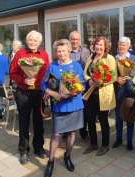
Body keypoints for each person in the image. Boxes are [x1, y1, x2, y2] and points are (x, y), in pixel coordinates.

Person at [41, 39, 86, 176]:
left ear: (68, 51)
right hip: (59, 105)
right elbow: (43, 84)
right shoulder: (52, 66)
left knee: (71, 133)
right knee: (55, 135)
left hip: (73, 104)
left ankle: (67, 156)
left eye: (63, 51)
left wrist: (71, 93)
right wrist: (51, 92)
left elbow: (82, 85)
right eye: (58, 51)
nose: (61, 53)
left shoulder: (77, 66)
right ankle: (51, 161)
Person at [10, 30, 50, 165]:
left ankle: (39, 147)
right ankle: (23, 150)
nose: (32, 42)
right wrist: (24, 80)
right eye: (30, 40)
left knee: (38, 121)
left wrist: (46, 90)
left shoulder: (44, 55)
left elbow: (47, 75)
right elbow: (13, 73)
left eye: (35, 40)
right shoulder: (20, 54)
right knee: (24, 122)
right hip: (23, 92)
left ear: (39, 42)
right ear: (27, 41)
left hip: (39, 92)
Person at [83, 36, 117, 156]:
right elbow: (85, 72)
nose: (98, 47)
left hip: (103, 94)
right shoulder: (91, 57)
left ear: (105, 46)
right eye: (97, 44)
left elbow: (113, 76)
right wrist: (89, 81)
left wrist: (100, 82)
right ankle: (93, 143)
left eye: (101, 45)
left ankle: (105, 145)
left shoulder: (110, 58)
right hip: (91, 93)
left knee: (103, 120)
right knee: (90, 119)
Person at [60, 31, 91, 147]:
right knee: (67, 112)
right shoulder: (65, 51)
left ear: (80, 40)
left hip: (83, 87)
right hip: (68, 87)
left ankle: (84, 134)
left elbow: (89, 68)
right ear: (69, 39)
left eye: (77, 39)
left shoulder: (86, 52)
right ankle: (64, 137)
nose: (75, 41)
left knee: (83, 112)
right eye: (72, 39)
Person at [113, 37, 135, 151]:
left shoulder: (133, 58)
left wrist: (129, 78)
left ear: (128, 46)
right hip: (118, 91)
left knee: (129, 115)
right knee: (118, 116)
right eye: (120, 45)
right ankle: (119, 138)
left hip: (129, 92)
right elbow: (109, 74)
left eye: (124, 45)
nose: (122, 47)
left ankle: (129, 140)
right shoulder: (114, 59)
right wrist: (117, 78)